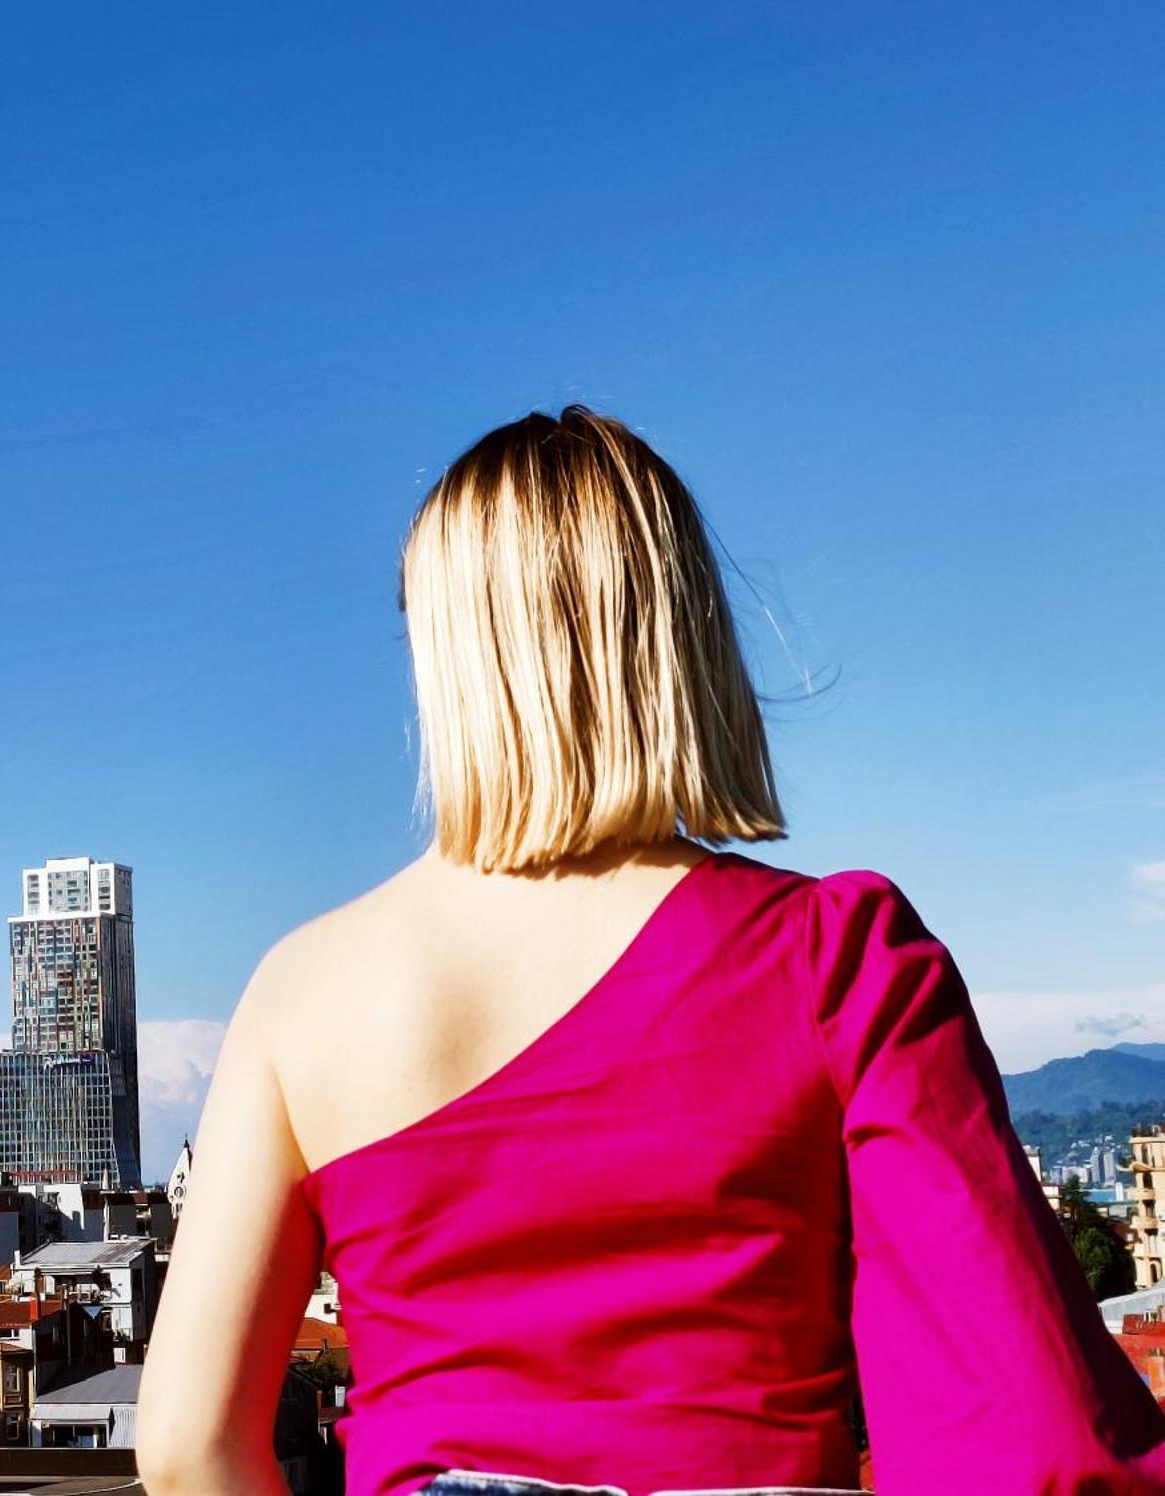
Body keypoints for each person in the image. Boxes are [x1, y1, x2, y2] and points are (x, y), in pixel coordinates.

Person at [134, 407, 1165, 1496]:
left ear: (443, 656)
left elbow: (188, 1442)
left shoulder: (303, 990)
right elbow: (1019, 1422)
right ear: (679, 631)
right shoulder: (836, 953)